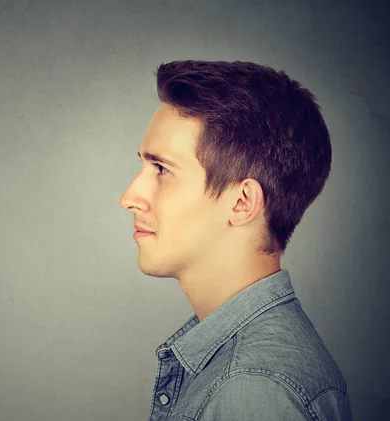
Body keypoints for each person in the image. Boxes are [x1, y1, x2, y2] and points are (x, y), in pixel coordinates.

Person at [119, 60, 353, 420]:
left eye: (162, 169)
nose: (130, 196)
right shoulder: (252, 371)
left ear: (242, 202)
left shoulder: (253, 388)